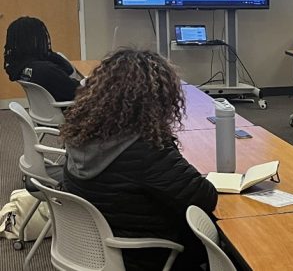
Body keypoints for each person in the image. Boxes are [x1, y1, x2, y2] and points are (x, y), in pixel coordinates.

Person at [61, 49, 218, 271]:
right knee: (219, 236)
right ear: (156, 101)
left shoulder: (80, 135)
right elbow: (205, 198)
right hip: (144, 255)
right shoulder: (146, 149)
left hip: (93, 245)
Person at [4, 16, 81, 101]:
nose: (47, 39)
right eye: (42, 35)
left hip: (51, 107)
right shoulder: (45, 69)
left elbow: (68, 70)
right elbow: (75, 91)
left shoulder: (19, 65)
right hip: (73, 107)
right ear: (31, 40)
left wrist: (47, 53)